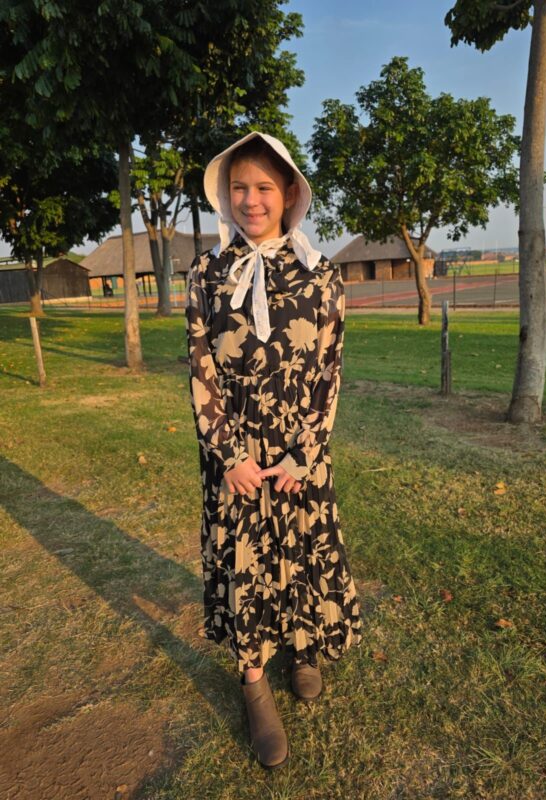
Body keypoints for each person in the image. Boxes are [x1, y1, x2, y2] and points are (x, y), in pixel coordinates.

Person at [184, 130, 362, 769]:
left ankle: (303, 647)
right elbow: (201, 368)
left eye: (263, 187)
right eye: (239, 188)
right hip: (237, 459)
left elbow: (329, 371)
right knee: (247, 561)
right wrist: (228, 456)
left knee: (300, 552)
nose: (250, 200)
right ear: (224, 195)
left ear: (289, 194)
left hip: (298, 457)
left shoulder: (322, 276)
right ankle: (254, 681)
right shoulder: (206, 273)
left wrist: (304, 453)